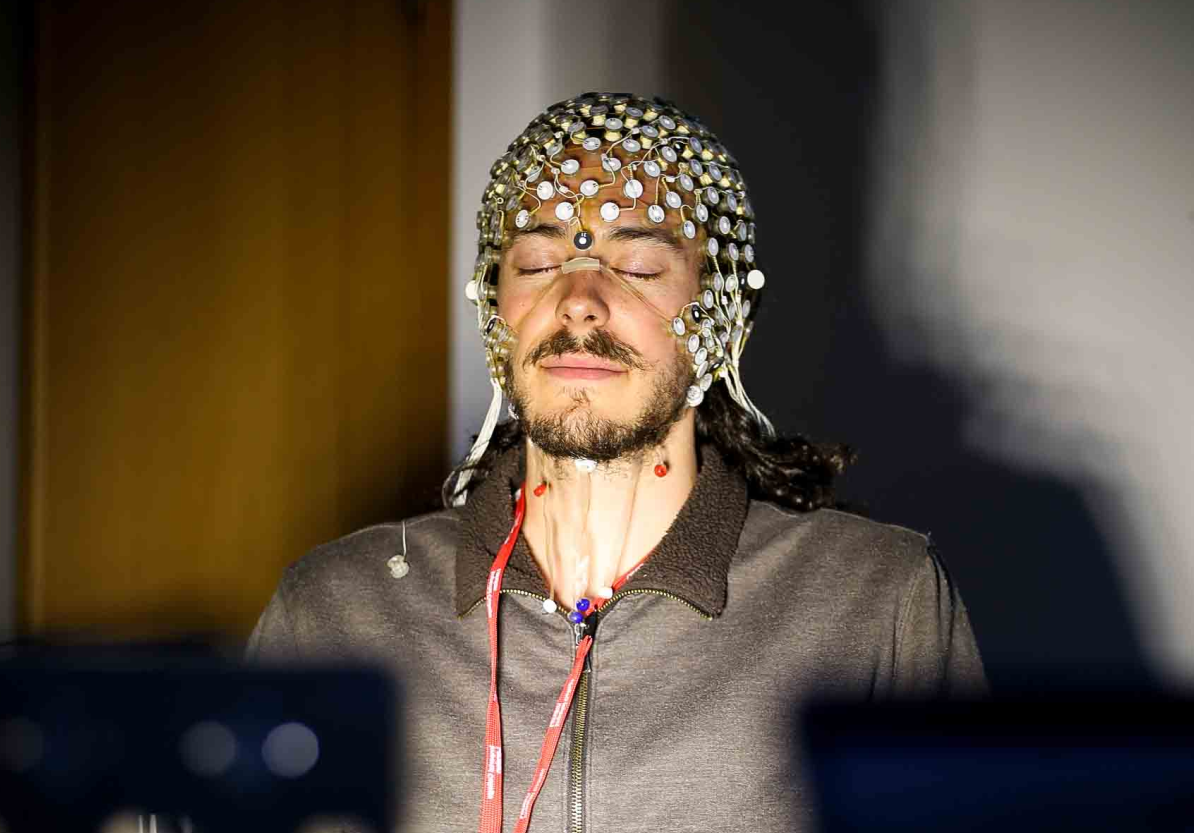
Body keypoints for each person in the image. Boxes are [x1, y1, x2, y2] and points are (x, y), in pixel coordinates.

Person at [248, 92, 985, 833]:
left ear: (722, 312)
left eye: (635, 265)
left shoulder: (874, 603)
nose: (579, 302)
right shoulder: (337, 613)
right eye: (538, 261)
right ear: (493, 305)